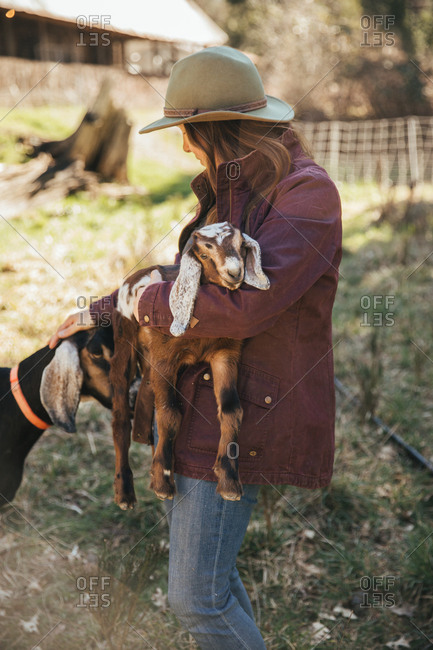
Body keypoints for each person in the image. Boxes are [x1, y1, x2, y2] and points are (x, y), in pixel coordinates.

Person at [49, 46, 342, 649]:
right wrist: (97, 310)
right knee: (210, 581)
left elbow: (247, 303)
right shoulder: (233, 190)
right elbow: (183, 274)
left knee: (194, 598)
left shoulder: (306, 198)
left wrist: (141, 305)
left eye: (187, 131)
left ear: (215, 130)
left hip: (243, 413)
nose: (184, 146)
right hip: (192, 404)